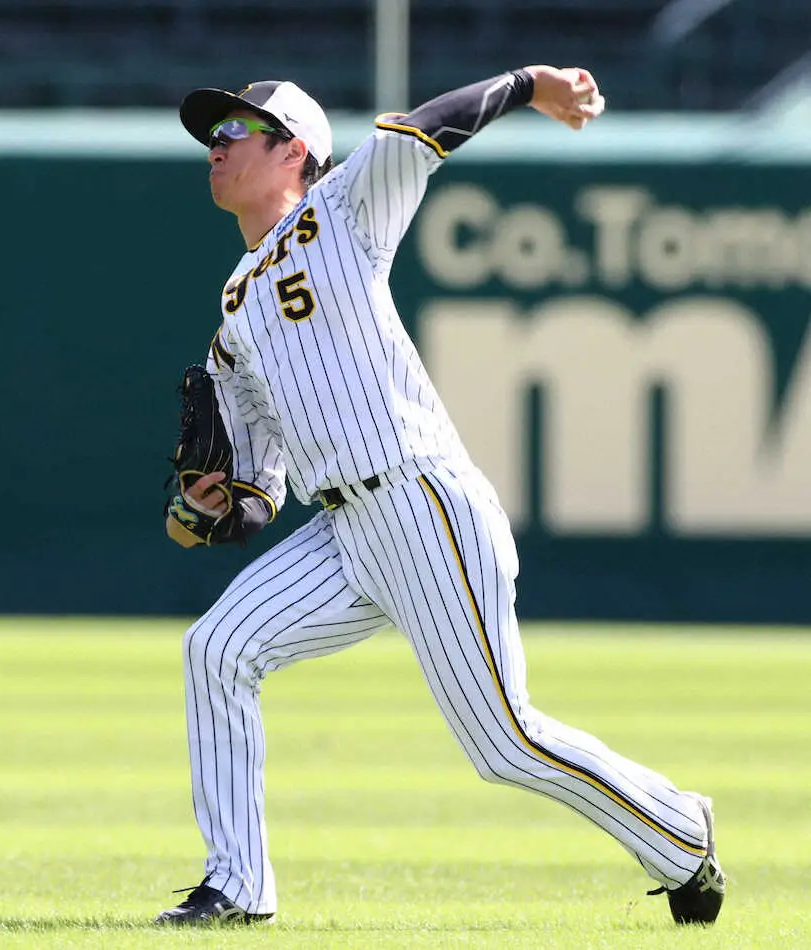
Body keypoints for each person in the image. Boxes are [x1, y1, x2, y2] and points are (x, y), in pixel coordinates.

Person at [154, 67, 726, 928]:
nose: (216, 148)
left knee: (503, 743)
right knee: (217, 652)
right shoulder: (234, 311)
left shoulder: (340, 210)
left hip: (423, 504)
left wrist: (533, 84)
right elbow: (259, 493)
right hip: (342, 532)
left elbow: (421, 130)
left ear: (293, 151)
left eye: (235, 132)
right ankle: (237, 888)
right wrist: (213, 510)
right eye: (213, 136)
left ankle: (681, 834)